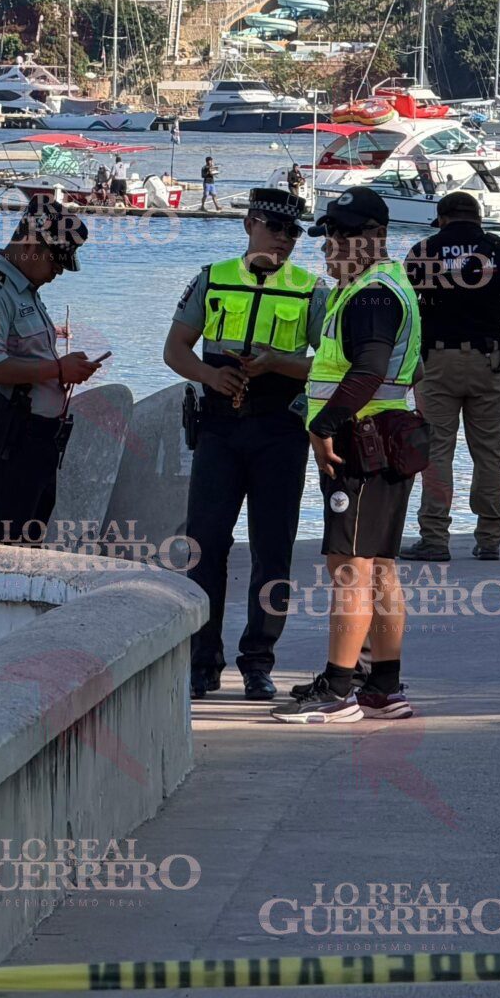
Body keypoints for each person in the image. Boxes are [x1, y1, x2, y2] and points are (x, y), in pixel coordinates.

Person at [164, 186, 326, 701]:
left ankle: (258, 661)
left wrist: (280, 363)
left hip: (280, 430)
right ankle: (202, 661)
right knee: (205, 545)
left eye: (293, 233)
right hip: (220, 428)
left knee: (273, 550)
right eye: (275, 228)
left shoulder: (310, 289)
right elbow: (175, 350)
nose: (284, 240)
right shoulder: (211, 278)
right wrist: (210, 377)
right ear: (249, 224)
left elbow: (327, 364)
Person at [276, 184, 425, 724]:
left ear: (376, 236)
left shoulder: (371, 296)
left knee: (351, 568)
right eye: (328, 237)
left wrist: (324, 426)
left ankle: (339, 690)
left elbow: (368, 370)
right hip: (386, 441)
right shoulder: (384, 285)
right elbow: (411, 369)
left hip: (360, 446)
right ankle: (383, 686)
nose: (329, 247)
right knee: (379, 566)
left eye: (341, 237)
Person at [0, 198, 102, 545]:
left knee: (28, 547)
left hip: (35, 439)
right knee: (6, 549)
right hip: (8, 437)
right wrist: (58, 369)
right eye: (55, 261)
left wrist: (62, 370)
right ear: (31, 246)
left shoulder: (25, 290)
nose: (58, 272)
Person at [405, 191, 500, 561]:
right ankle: (490, 539)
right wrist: (493, 307)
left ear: (443, 219)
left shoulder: (423, 252)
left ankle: (434, 538)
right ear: (478, 217)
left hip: (435, 363)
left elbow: (404, 308)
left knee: (436, 450)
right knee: (489, 450)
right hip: (486, 362)